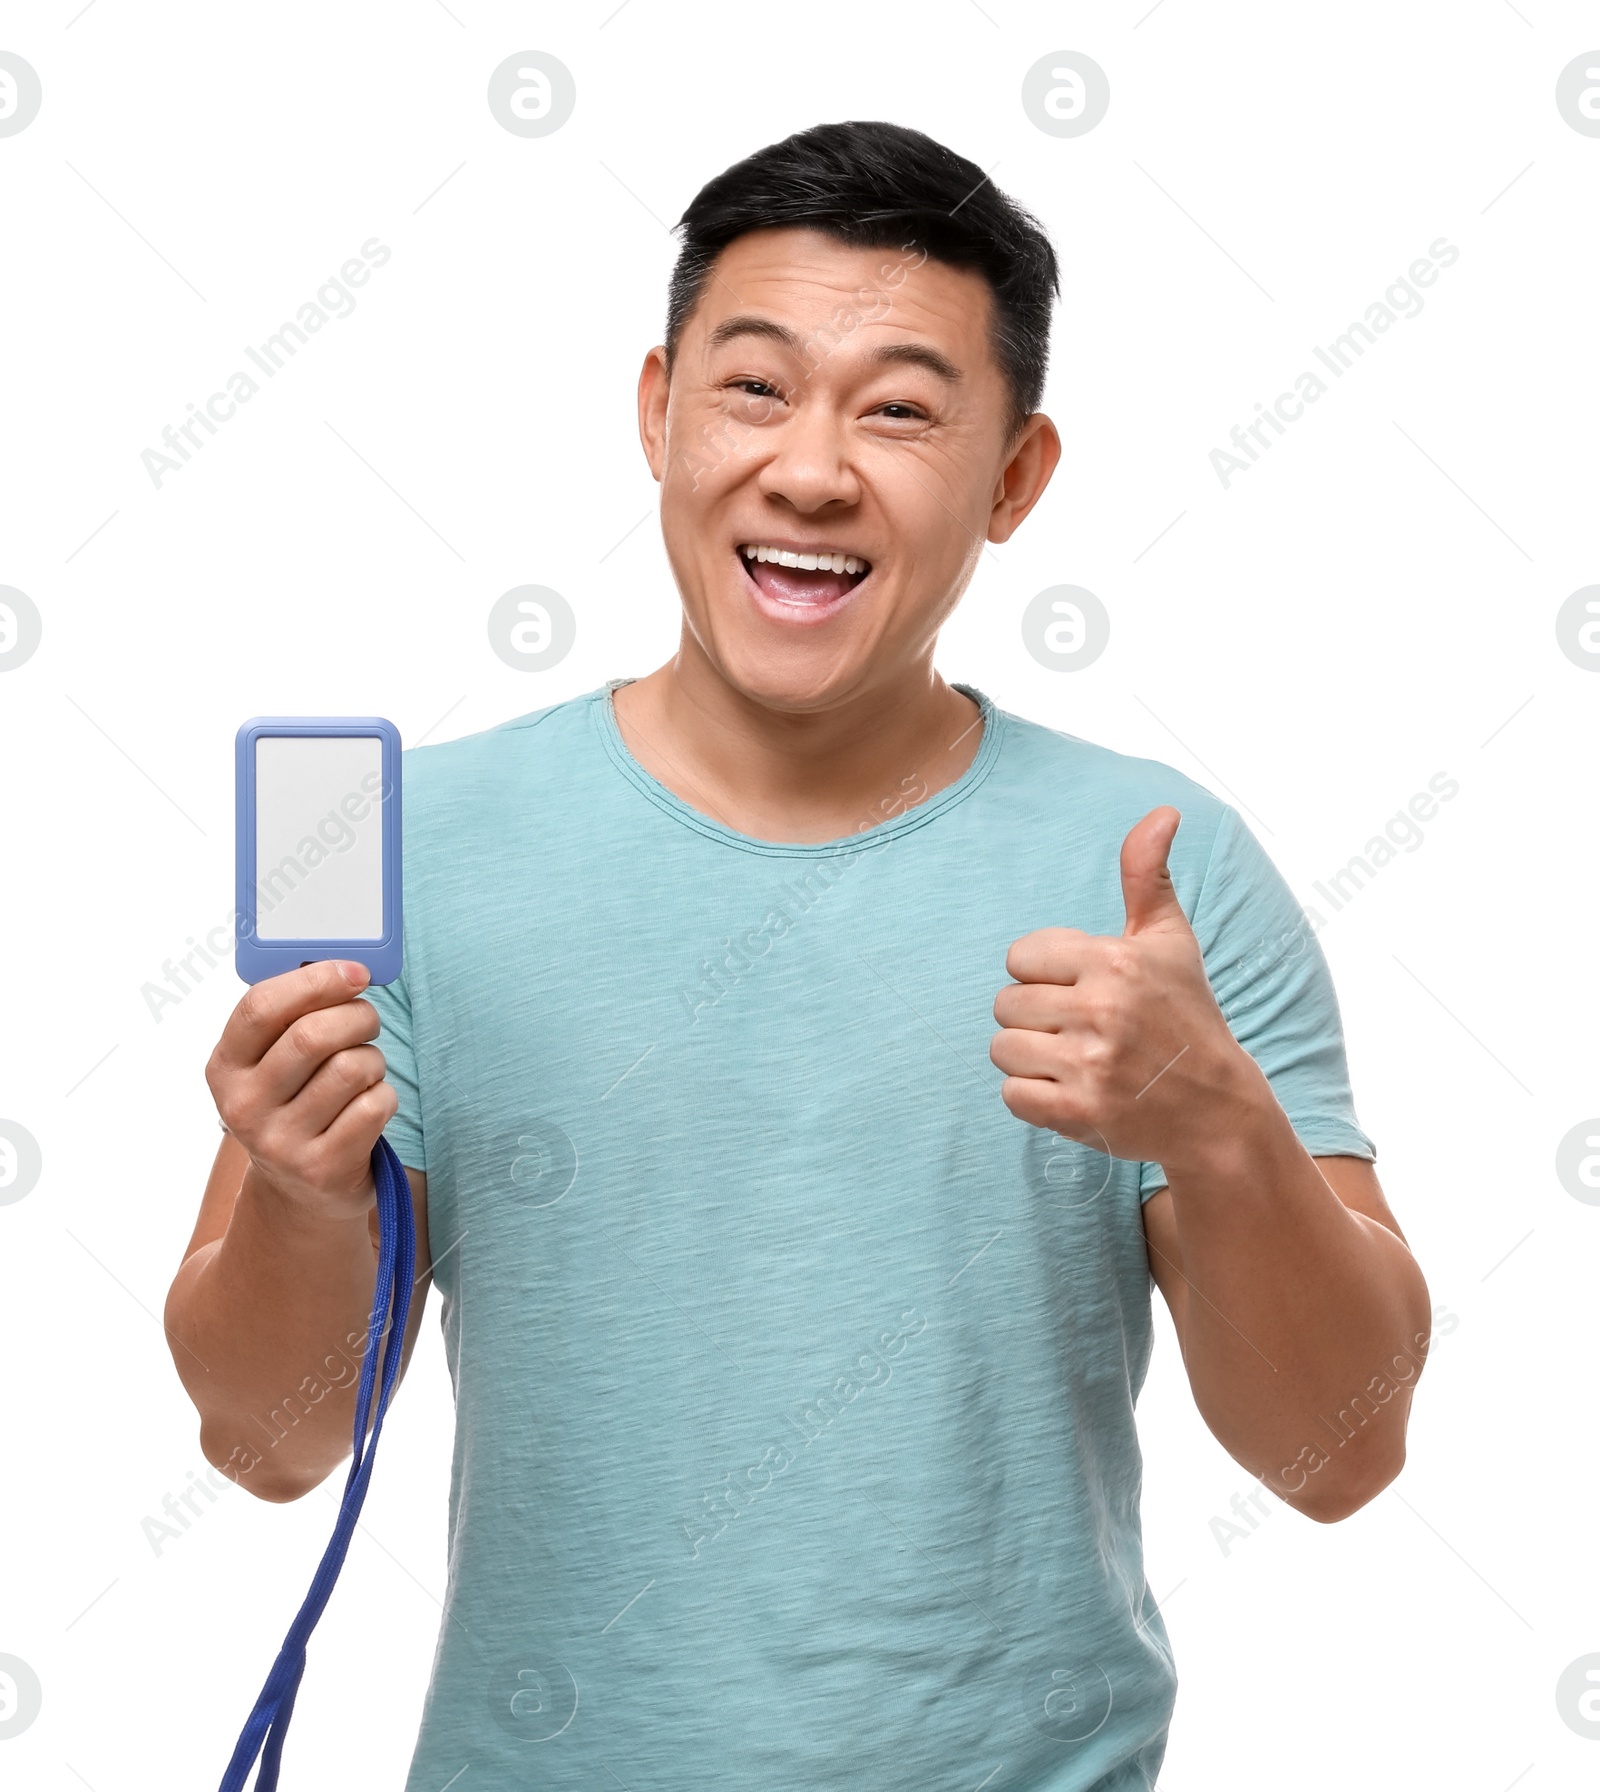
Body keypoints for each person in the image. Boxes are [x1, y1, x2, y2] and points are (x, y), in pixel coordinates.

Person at [166, 120, 1432, 1791]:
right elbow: (266, 1446)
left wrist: (1222, 1128)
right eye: (753, 388)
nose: (814, 468)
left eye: (901, 408)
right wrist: (302, 1192)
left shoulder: (1161, 876)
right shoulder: (379, 840)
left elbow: (1341, 1460)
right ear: (656, 413)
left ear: (1014, 477)